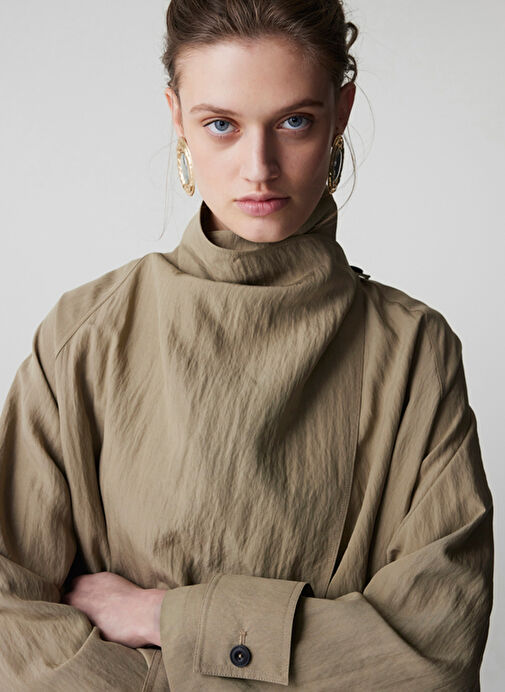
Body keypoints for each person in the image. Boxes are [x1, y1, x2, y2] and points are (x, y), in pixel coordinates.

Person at [0, 1, 493, 690]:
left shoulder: (414, 352)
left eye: (294, 121)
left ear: (341, 112)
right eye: (221, 125)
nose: (258, 168)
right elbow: (13, 628)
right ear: (177, 117)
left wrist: (168, 618)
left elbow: (434, 651)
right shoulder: (85, 336)